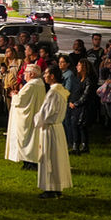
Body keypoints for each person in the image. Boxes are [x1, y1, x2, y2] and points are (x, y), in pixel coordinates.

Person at [35, 65, 72, 198]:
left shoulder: (53, 93)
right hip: (57, 128)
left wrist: (36, 119)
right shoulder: (60, 91)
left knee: (49, 157)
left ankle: (50, 187)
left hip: (50, 128)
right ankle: (57, 186)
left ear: (52, 76)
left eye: (46, 73)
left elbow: (46, 113)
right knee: (57, 158)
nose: (44, 76)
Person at [5, 64, 44, 171]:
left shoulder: (31, 85)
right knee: (32, 139)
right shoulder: (39, 84)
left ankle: (29, 162)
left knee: (27, 139)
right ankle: (29, 162)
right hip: (33, 115)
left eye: (26, 73)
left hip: (28, 117)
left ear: (32, 74)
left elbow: (20, 101)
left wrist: (13, 95)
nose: (23, 75)